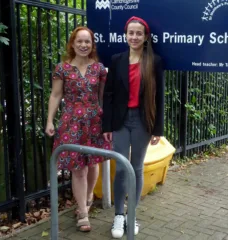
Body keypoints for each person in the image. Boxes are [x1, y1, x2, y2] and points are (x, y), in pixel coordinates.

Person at [102, 16, 165, 238]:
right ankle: (119, 215)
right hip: (119, 121)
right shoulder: (117, 59)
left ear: (146, 36)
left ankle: (132, 214)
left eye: (139, 33)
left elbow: (160, 97)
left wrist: (158, 128)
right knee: (120, 167)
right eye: (131, 32)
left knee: (136, 167)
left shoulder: (154, 61)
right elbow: (108, 95)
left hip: (142, 120)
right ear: (125, 35)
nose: (135, 37)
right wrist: (106, 125)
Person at [45, 26, 110, 232]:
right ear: (72, 44)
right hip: (71, 122)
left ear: (92, 45)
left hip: (94, 122)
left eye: (87, 41)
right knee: (78, 167)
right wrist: (49, 120)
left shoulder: (99, 69)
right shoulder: (62, 68)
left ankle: (89, 196)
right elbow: (55, 95)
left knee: (93, 163)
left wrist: (108, 122)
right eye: (79, 41)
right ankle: (83, 212)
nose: (83, 45)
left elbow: (103, 98)